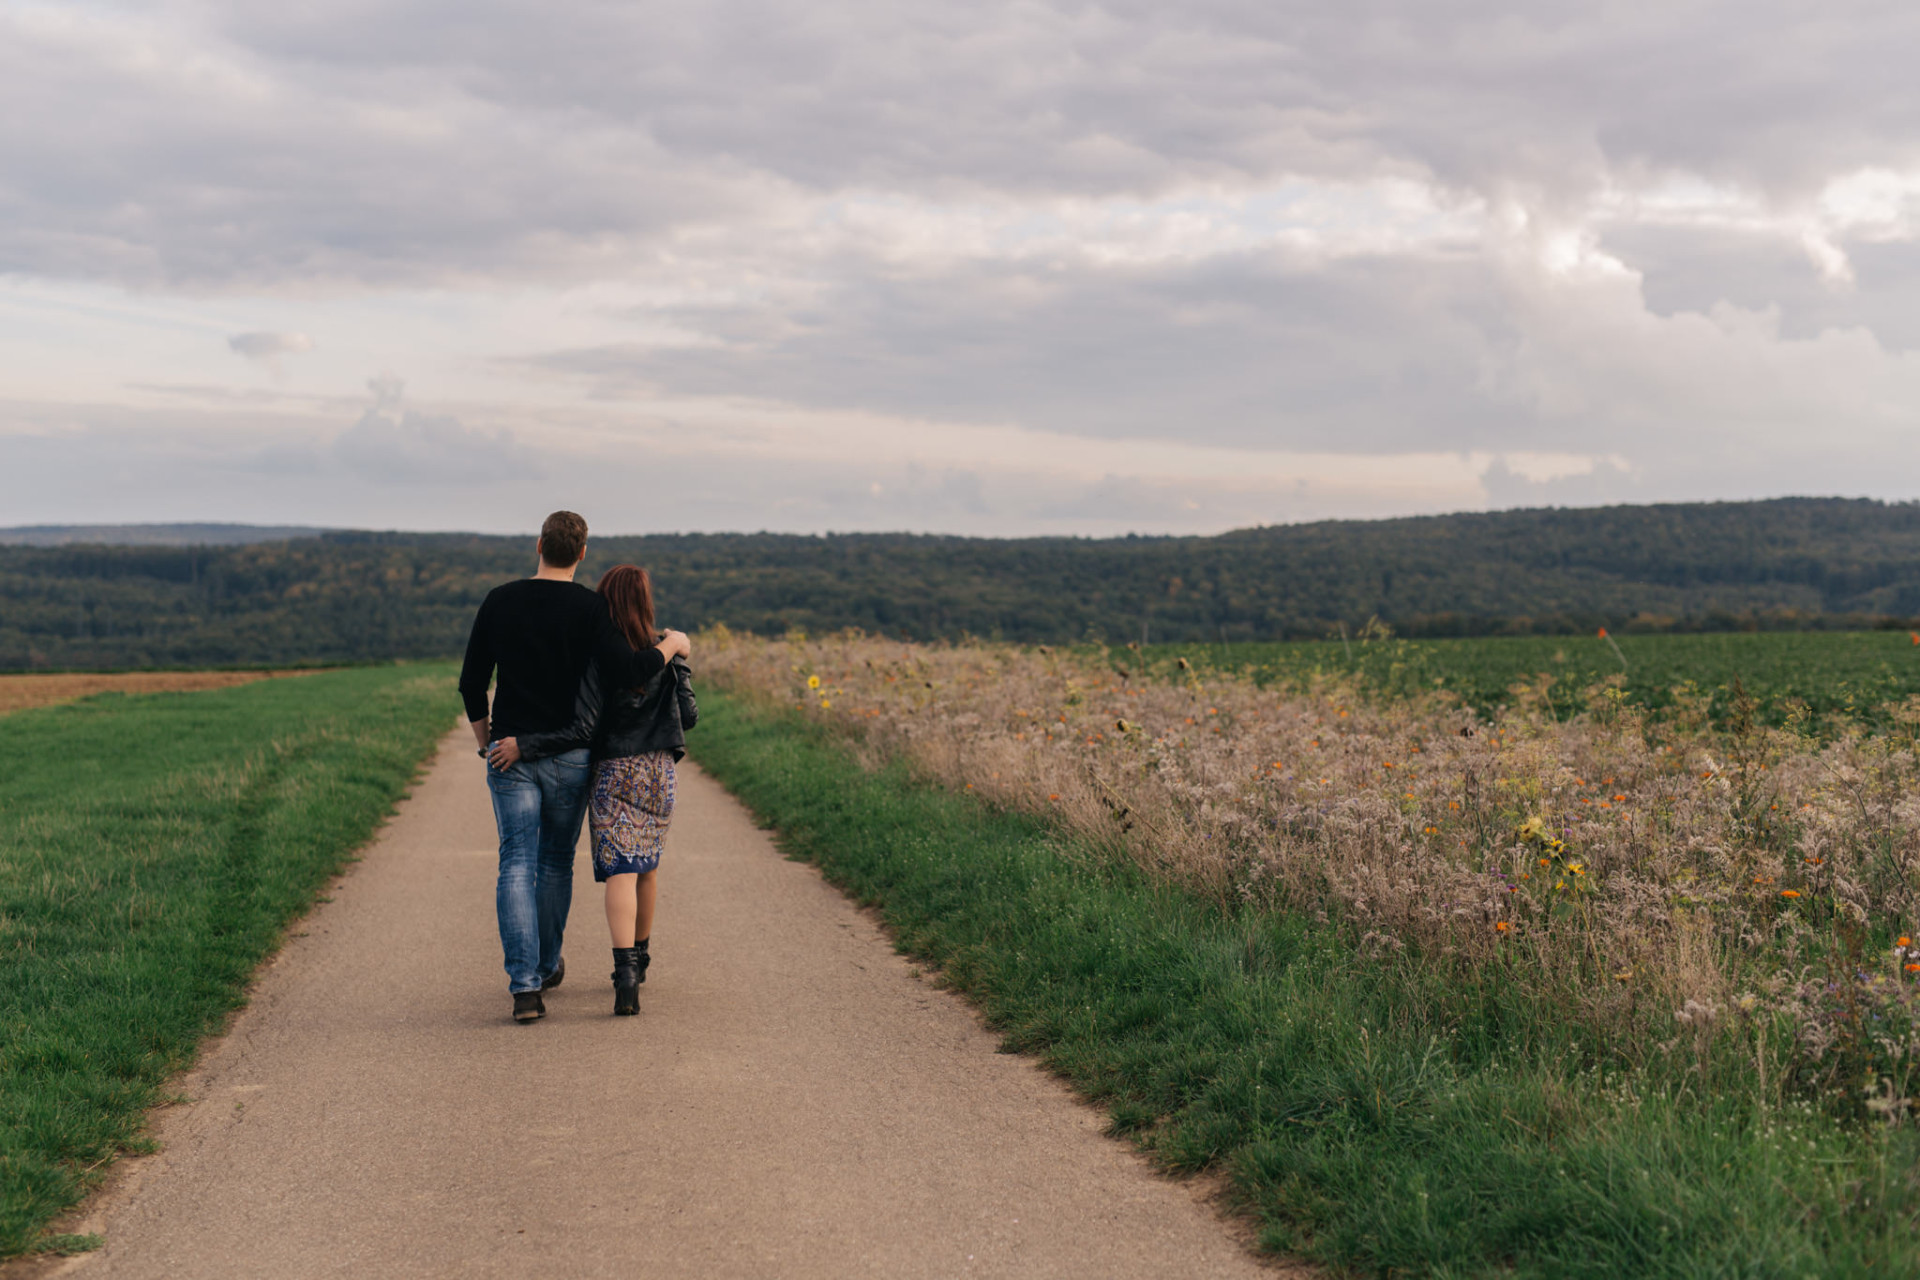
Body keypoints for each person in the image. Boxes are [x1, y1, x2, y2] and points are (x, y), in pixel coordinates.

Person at [458, 512, 690, 1024]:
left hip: (509, 754)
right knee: (553, 863)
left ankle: (525, 988)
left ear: (538, 544)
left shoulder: (499, 600)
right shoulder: (591, 609)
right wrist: (672, 644)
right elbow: (632, 671)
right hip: (569, 758)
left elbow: (471, 683)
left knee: (514, 863)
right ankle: (544, 965)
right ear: (582, 553)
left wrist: (486, 743)